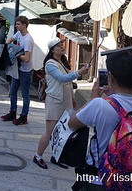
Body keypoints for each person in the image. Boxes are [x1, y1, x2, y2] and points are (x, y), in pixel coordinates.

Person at [68, 50, 132, 190]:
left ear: (110, 77)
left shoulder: (99, 105)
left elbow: (72, 123)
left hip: (100, 180)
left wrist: (92, 99)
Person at [33, 38, 89, 169]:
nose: (62, 47)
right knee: (50, 131)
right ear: (53, 49)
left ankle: (56, 156)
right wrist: (79, 72)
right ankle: (38, 156)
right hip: (55, 102)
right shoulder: (50, 64)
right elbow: (63, 78)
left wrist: (80, 73)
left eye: (62, 44)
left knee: (63, 131)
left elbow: (68, 80)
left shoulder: (61, 62)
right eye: (59, 45)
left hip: (65, 101)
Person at [1, 16, 34, 126]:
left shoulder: (28, 40)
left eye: (18, 24)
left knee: (25, 93)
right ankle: (12, 111)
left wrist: (16, 53)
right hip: (17, 68)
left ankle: (24, 115)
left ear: (24, 25)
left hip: (25, 69)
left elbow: (27, 58)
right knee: (13, 91)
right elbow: (9, 40)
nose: (16, 26)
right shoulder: (19, 34)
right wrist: (12, 47)